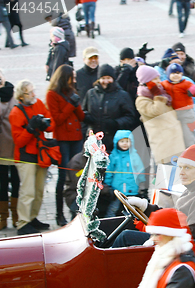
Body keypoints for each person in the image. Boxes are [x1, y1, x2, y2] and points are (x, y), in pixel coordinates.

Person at [112, 144, 195, 246]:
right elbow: (173, 217)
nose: (181, 173)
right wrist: (145, 206)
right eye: (180, 167)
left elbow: (192, 237)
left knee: (125, 236)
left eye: (187, 168)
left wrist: (157, 240)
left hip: (183, 248)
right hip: (175, 239)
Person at [9, 79, 54, 235]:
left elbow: (51, 123)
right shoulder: (16, 112)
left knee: (39, 190)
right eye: (30, 91)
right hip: (25, 156)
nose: (34, 94)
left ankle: (32, 217)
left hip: (40, 154)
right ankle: (23, 222)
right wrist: (30, 128)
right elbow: (19, 141)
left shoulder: (38, 104)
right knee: (27, 191)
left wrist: (45, 124)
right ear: (22, 95)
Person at [46, 64, 85, 226]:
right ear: (65, 78)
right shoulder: (52, 95)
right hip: (63, 140)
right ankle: (58, 213)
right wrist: (71, 104)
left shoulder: (71, 92)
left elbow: (81, 117)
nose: (74, 81)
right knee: (63, 176)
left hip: (76, 138)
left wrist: (76, 104)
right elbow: (58, 119)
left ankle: (74, 210)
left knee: (77, 176)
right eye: (72, 78)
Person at [135, 65, 185, 164]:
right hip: (164, 146)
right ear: (146, 82)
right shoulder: (142, 100)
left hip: (175, 142)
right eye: (154, 79)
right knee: (169, 176)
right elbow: (156, 111)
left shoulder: (162, 93)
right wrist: (158, 95)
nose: (158, 81)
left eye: (158, 78)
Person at [82, 64, 136, 153]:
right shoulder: (90, 93)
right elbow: (84, 112)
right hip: (94, 139)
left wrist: (116, 123)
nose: (106, 81)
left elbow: (130, 117)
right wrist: (88, 118)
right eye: (103, 78)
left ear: (113, 79)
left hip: (114, 140)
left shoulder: (122, 95)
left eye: (108, 78)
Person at [104, 130, 146, 217]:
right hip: (117, 190)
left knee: (132, 210)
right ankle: (109, 223)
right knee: (113, 209)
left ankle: (133, 224)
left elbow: (140, 171)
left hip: (132, 189)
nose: (125, 144)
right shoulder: (113, 156)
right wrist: (107, 185)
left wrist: (142, 186)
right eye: (122, 141)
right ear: (117, 142)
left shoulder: (134, 156)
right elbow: (109, 171)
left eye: (127, 141)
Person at [161, 63, 195, 148]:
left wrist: (194, 91)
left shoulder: (185, 83)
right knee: (176, 138)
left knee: (188, 137)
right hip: (173, 114)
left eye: (178, 73)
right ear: (168, 74)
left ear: (182, 74)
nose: (176, 75)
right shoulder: (165, 84)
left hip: (186, 114)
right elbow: (157, 88)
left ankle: (192, 153)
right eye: (173, 73)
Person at [0, 69, 19, 230]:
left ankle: (15, 215)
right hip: (1, 151)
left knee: (16, 182)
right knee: (2, 184)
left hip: (15, 149)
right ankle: (3, 216)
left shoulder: (13, 96)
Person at [172, 43, 195, 118]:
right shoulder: (166, 71)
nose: (180, 57)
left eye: (182, 54)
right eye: (177, 54)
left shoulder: (192, 73)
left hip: (190, 113)